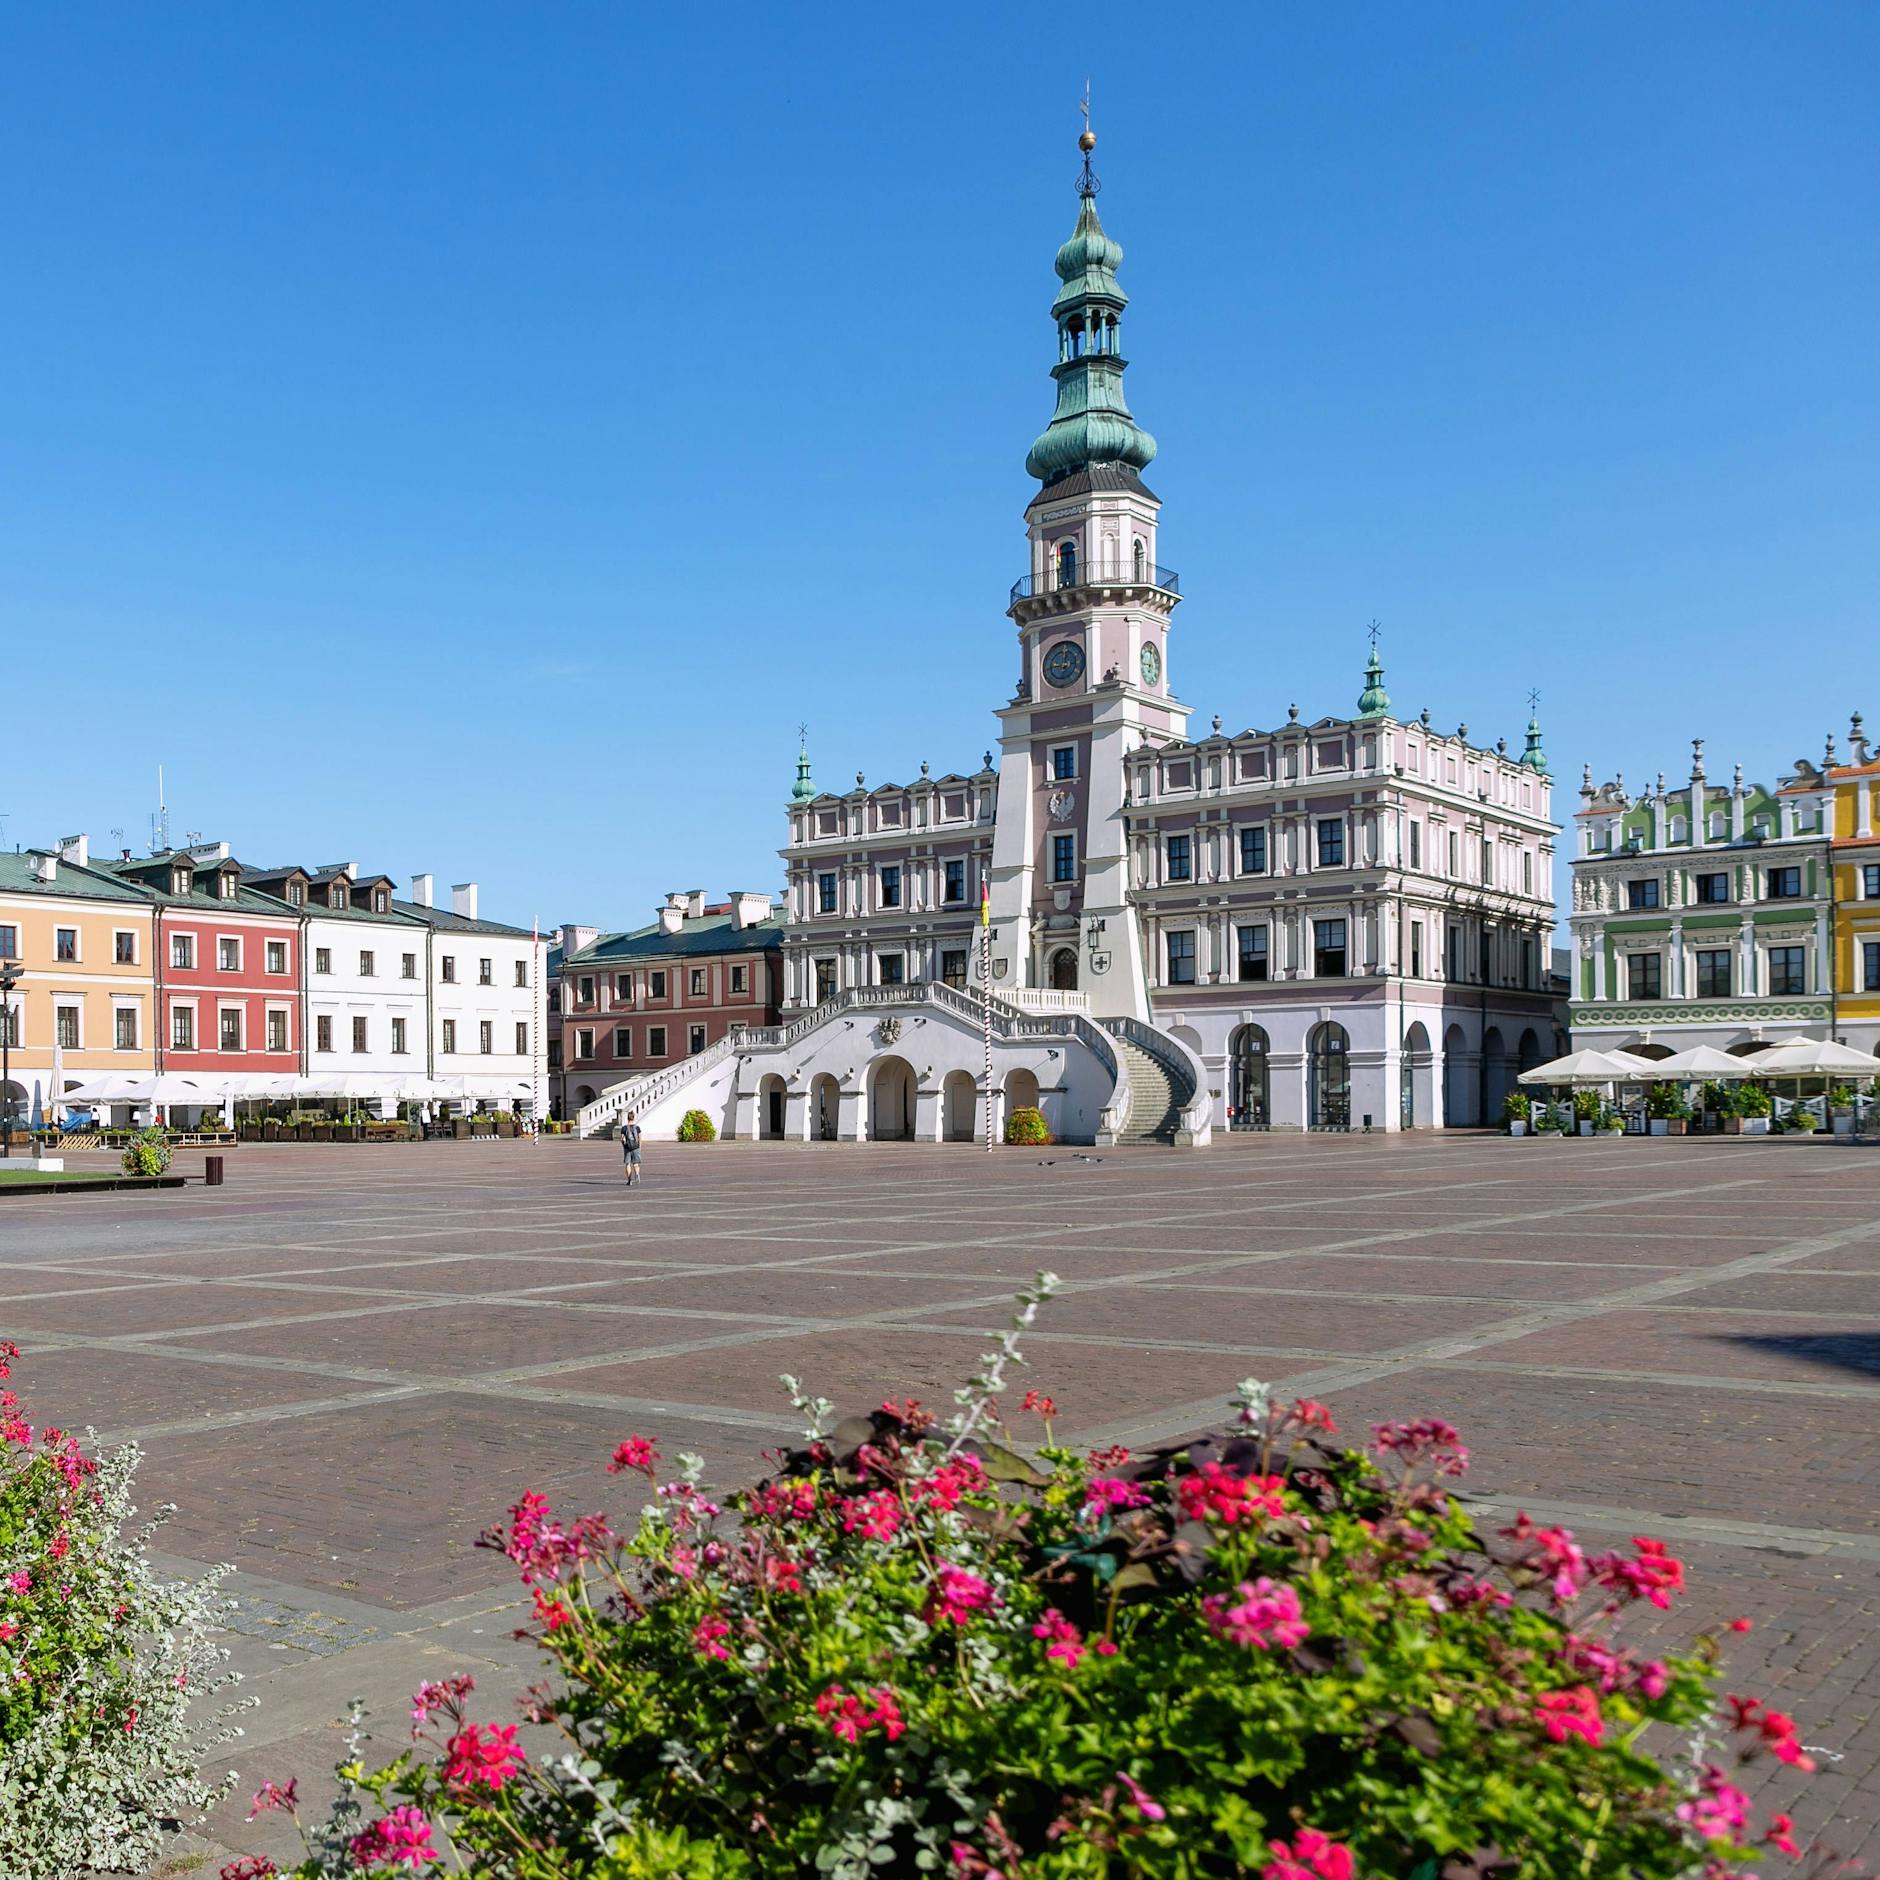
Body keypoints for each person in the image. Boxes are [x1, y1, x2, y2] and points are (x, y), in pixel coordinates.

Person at [620, 1110, 643, 1185]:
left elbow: (621, 1138)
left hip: (627, 1148)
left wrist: (624, 1145)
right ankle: (637, 1174)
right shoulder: (637, 1128)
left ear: (627, 1118)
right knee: (636, 1164)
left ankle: (629, 1180)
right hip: (636, 1147)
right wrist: (639, 1147)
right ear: (633, 1118)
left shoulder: (624, 1128)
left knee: (628, 1164)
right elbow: (640, 1138)